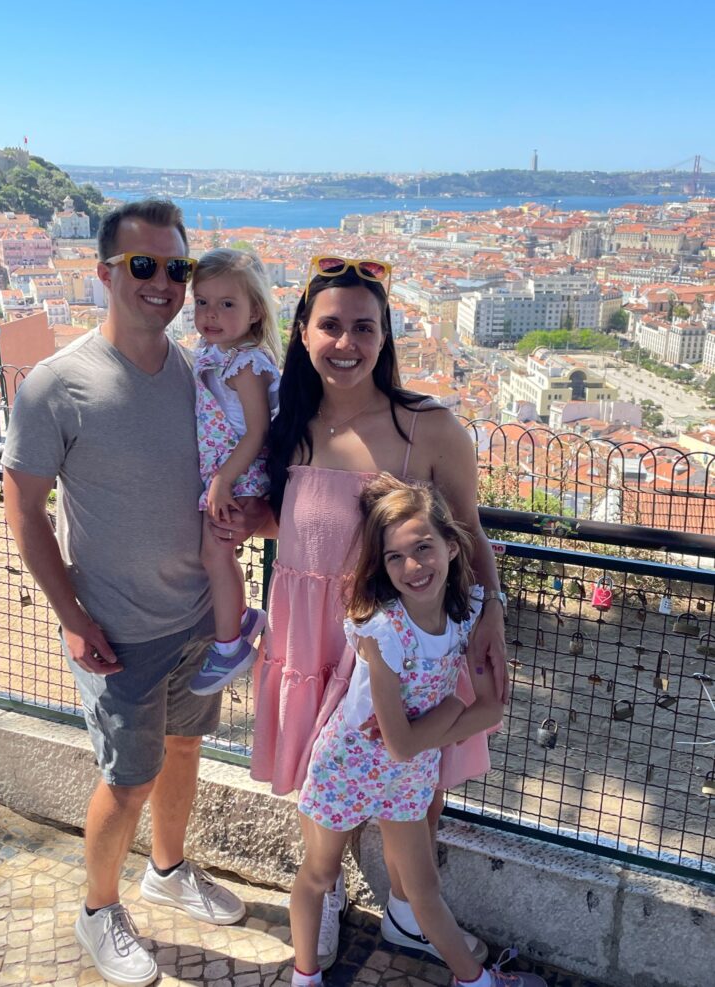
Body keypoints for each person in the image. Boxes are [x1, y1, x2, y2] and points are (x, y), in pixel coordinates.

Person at [1, 200, 258, 987]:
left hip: (194, 619)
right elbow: (23, 509)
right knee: (127, 776)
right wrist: (72, 618)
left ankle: (169, 869)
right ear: (105, 272)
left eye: (176, 268)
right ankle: (96, 909)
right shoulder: (58, 383)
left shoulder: (198, 369)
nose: (164, 283)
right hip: (116, 629)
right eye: (143, 266)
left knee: (184, 749)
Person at [245, 256, 509, 969]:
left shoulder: (427, 425)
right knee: (323, 780)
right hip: (312, 633)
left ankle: (405, 908)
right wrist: (246, 517)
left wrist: (491, 617)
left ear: (386, 335)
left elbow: (469, 531)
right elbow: (303, 525)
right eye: (330, 324)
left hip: (402, 640)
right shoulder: (289, 425)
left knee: (417, 774)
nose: (347, 341)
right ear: (302, 332)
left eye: (365, 326)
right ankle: (325, 895)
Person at [290, 474, 544, 987]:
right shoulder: (383, 632)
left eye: (424, 548)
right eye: (395, 557)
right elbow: (404, 740)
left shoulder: (469, 613)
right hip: (350, 764)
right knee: (317, 874)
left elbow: (491, 710)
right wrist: (452, 707)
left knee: (424, 889)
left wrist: (441, 721)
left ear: (453, 547)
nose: (412, 566)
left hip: (409, 771)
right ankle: (305, 975)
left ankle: (474, 981)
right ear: (382, 566)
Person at [188, 248, 281, 696]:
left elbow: (258, 432)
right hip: (225, 475)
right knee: (215, 555)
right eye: (202, 302)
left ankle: (231, 647)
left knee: (215, 555)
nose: (211, 314)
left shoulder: (246, 363)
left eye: (227, 304)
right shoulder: (214, 353)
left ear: (255, 310)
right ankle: (242, 618)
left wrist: (223, 480)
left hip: (239, 479)